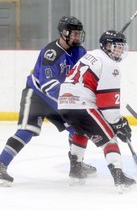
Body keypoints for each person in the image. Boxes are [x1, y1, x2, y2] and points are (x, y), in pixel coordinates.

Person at [0, 16, 96, 186]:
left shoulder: (80, 52)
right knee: (26, 132)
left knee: (77, 129)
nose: (77, 37)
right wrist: (70, 99)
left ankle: (76, 165)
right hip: (37, 95)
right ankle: (1, 164)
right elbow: (47, 85)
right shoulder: (51, 53)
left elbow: (87, 71)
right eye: (74, 34)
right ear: (64, 33)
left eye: (79, 33)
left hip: (60, 99)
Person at [57, 30, 136, 192]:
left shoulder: (91, 55)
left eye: (121, 47)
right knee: (110, 138)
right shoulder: (110, 65)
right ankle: (119, 176)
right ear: (106, 46)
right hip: (82, 104)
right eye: (116, 47)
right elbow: (107, 103)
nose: (119, 51)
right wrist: (118, 123)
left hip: (64, 102)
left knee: (81, 131)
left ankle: (76, 169)